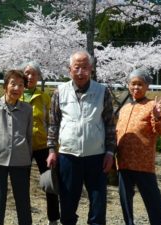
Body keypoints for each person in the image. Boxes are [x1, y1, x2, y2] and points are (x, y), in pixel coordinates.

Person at [47, 50, 116, 225]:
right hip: (68, 155)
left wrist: (110, 152)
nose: (80, 72)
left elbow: (110, 124)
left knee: (98, 204)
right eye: (77, 67)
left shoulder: (102, 91)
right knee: (68, 205)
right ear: (70, 69)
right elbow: (53, 123)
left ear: (91, 69)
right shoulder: (60, 92)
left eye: (84, 67)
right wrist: (51, 150)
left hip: (97, 156)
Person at [116, 68, 161, 225]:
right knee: (125, 200)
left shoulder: (152, 105)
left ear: (147, 87)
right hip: (123, 162)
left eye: (140, 84)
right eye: (133, 84)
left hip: (143, 163)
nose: (136, 87)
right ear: (128, 85)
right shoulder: (124, 108)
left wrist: (158, 116)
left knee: (152, 199)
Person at [0, 70, 33, 225]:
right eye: (13, 84)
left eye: (21, 85)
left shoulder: (27, 109)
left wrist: (27, 157)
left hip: (21, 160)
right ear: (5, 86)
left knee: (23, 200)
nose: (16, 88)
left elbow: (29, 137)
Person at [19, 61, 60, 225]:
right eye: (27, 72)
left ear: (38, 77)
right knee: (22, 185)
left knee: (50, 183)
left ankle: (53, 219)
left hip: (43, 146)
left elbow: (52, 122)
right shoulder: (17, 95)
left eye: (33, 73)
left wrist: (54, 147)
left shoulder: (44, 97)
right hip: (22, 147)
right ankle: (24, 218)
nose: (29, 76)